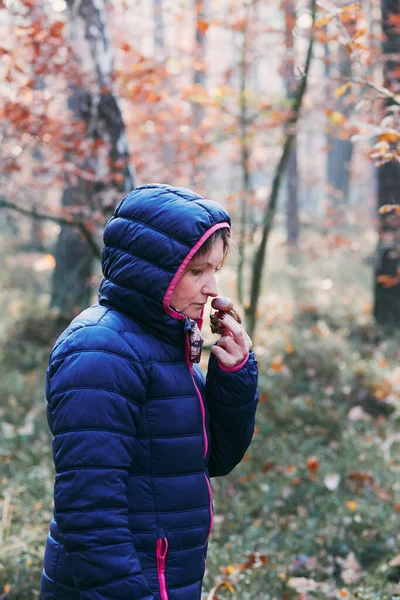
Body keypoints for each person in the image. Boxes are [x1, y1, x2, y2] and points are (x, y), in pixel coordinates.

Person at [40, 184, 258, 600]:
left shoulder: (164, 342)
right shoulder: (101, 351)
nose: (213, 288)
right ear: (154, 271)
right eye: (197, 272)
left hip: (164, 580)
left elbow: (212, 459)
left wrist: (233, 374)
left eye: (215, 269)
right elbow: (90, 517)